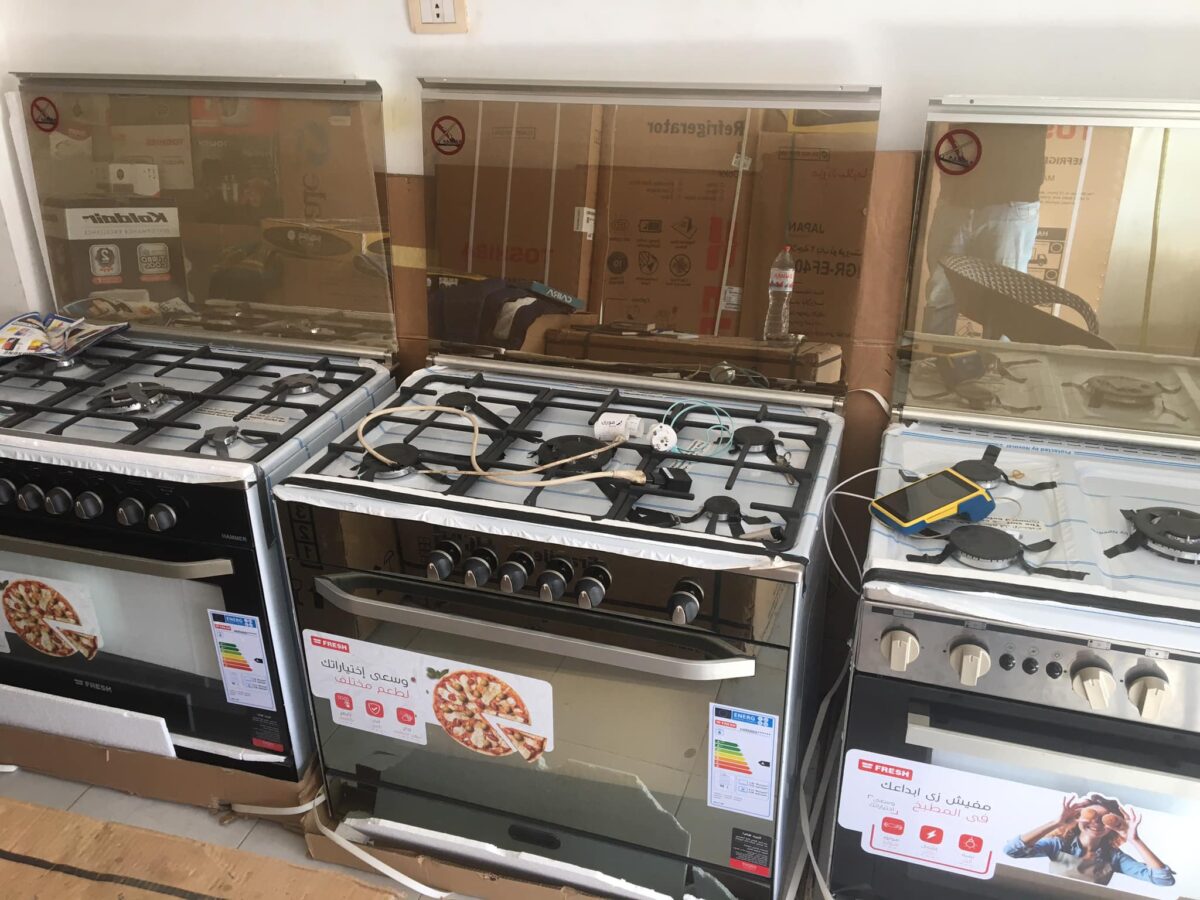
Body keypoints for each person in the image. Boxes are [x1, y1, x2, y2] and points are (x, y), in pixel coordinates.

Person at [922, 124, 1047, 335]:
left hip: (1012, 199)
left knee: (1005, 304)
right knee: (939, 297)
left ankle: (996, 359)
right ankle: (932, 355)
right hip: (956, 197)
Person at [1004, 793, 1175, 887]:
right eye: (1091, 816)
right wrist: (1056, 823)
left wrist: (1134, 839)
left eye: (1104, 819)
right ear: (1077, 818)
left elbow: (1163, 879)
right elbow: (1012, 851)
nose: (1096, 822)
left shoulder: (1115, 858)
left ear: (1112, 826)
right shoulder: (1057, 845)